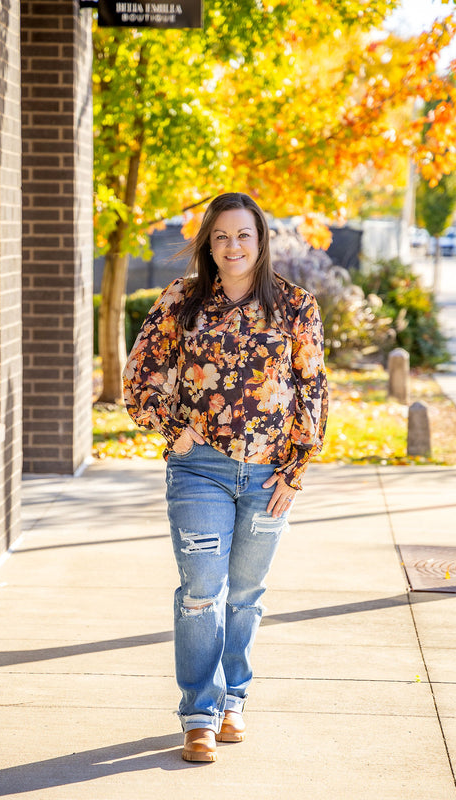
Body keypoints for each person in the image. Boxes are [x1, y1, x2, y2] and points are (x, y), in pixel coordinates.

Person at [123, 192, 328, 763]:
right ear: (208, 244)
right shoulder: (183, 301)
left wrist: (296, 468)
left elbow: (312, 389)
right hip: (200, 473)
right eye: (221, 236)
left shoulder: (295, 306)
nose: (233, 246)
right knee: (200, 594)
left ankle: (234, 699)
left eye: (243, 235)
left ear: (261, 241)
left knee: (244, 594)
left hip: (268, 477)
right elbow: (139, 372)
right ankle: (198, 713)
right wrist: (172, 428)